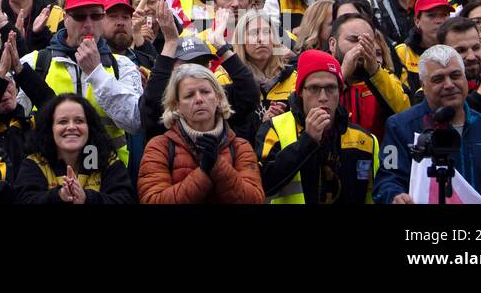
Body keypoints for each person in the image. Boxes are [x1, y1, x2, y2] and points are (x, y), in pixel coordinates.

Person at [17, 0, 143, 164]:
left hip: (108, 177)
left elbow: (135, 122)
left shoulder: (122, 65)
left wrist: (97, 73)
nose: (88, 25)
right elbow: (15, 123)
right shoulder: (35, 62)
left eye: (96, 16)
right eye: (80, 16)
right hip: (50, 175)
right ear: (65, 18)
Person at [374, 45, 481, 204]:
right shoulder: (399, 127)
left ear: (465, 79)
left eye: (455, 75)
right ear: (423, 86)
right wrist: (395, 196)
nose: (449, 84)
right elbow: (387, 179)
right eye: (438, 79)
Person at [255, 49, 379, 204]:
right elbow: (264, 185)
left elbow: (372, 197)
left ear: (340, 91)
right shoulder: (274, 128)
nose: (323, 97)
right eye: (314, 89)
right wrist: (308, 140)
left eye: (330, 88)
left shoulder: (365, 140)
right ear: (300, 92)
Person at [137, 63, 264, 204]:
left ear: (218, 98)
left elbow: (255, 199)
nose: (198, 99)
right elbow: (152, 200)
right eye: (189, 95)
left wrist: (218, 165)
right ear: (177, 105)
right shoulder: (159, 147)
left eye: (205, 92)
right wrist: (203, 172)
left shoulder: (241, 147)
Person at [12, 93, 135, 204]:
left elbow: (125, 199)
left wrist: (87, 198)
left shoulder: (108, 162)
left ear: (90, 127)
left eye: (79, 121)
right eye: (63, 122)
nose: (71, 127)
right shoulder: (33, 163)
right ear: (50, 129)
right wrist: (59, 196)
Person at [329, 12, 409, 138]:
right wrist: (342, 76)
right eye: (353, 40)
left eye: (367, 41)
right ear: (333, 44)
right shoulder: (318, 76)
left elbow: (405, 115)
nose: (361, 47)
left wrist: (374, 71)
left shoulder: (387, 78)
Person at [393, 0, 453, 98]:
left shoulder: (457, 51)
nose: (439, 21)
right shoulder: (401, 53)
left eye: (444, 15)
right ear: (417, 21)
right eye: (431, 15)